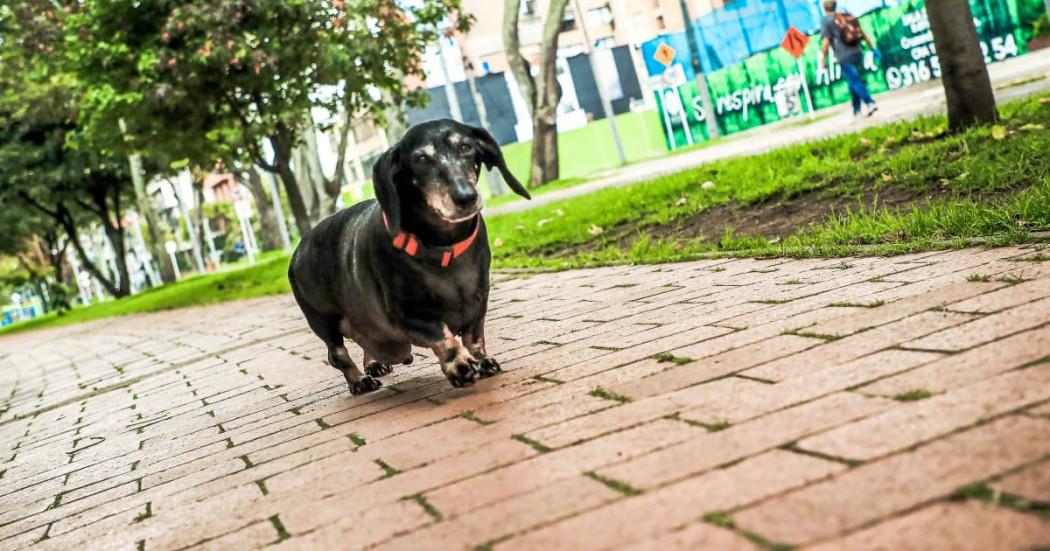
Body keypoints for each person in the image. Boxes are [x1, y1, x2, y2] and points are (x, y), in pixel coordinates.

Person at [819, 0, 879, 118]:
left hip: (844, 56)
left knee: (855, 81)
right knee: (853, 82)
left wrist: (823, 60)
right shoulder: (844, 17)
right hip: (857, 52)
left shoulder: (826, 22)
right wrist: (873, 49)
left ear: (824, 7)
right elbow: (863, 34)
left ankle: (870, 102)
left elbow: (825, 43)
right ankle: (856, 110)